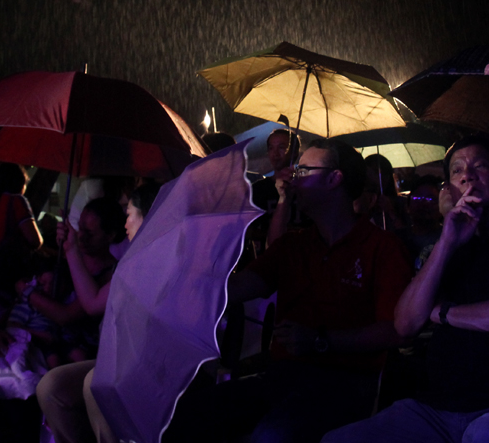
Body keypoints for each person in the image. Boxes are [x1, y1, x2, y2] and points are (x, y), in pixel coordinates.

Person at [322, 134, 489, 443]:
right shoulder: (449, 247)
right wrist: (447, 240)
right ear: (449, 190)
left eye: (479, 166)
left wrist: (445, 313)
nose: (467, 175)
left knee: (488, 436)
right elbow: (405, 324)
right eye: (456, 171)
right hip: (437, 409)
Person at [163, 138, 413, 443]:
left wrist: (321, 341)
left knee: (272, 436)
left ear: (335, 179)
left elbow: (396, 331)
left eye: (304, 170)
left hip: (347, 381)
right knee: (187, 413)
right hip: (284, 375)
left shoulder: (382, 248)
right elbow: (237, 289)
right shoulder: (294, 245)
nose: (293, 178)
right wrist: (188, 259)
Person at [34, 188, 149, 443]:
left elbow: (86, 306)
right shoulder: (67, 259)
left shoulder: (131, 266)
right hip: (59, 343)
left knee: (91, 383)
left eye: (129, 214)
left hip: (111, 354)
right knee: (48, 386)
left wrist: (30, 295)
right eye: (80, 229)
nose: (125, 222)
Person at [0, 163, 43, 323]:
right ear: (19, 183)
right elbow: (35, 241)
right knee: (11, 336)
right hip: (4, 282)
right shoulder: (16, 201)